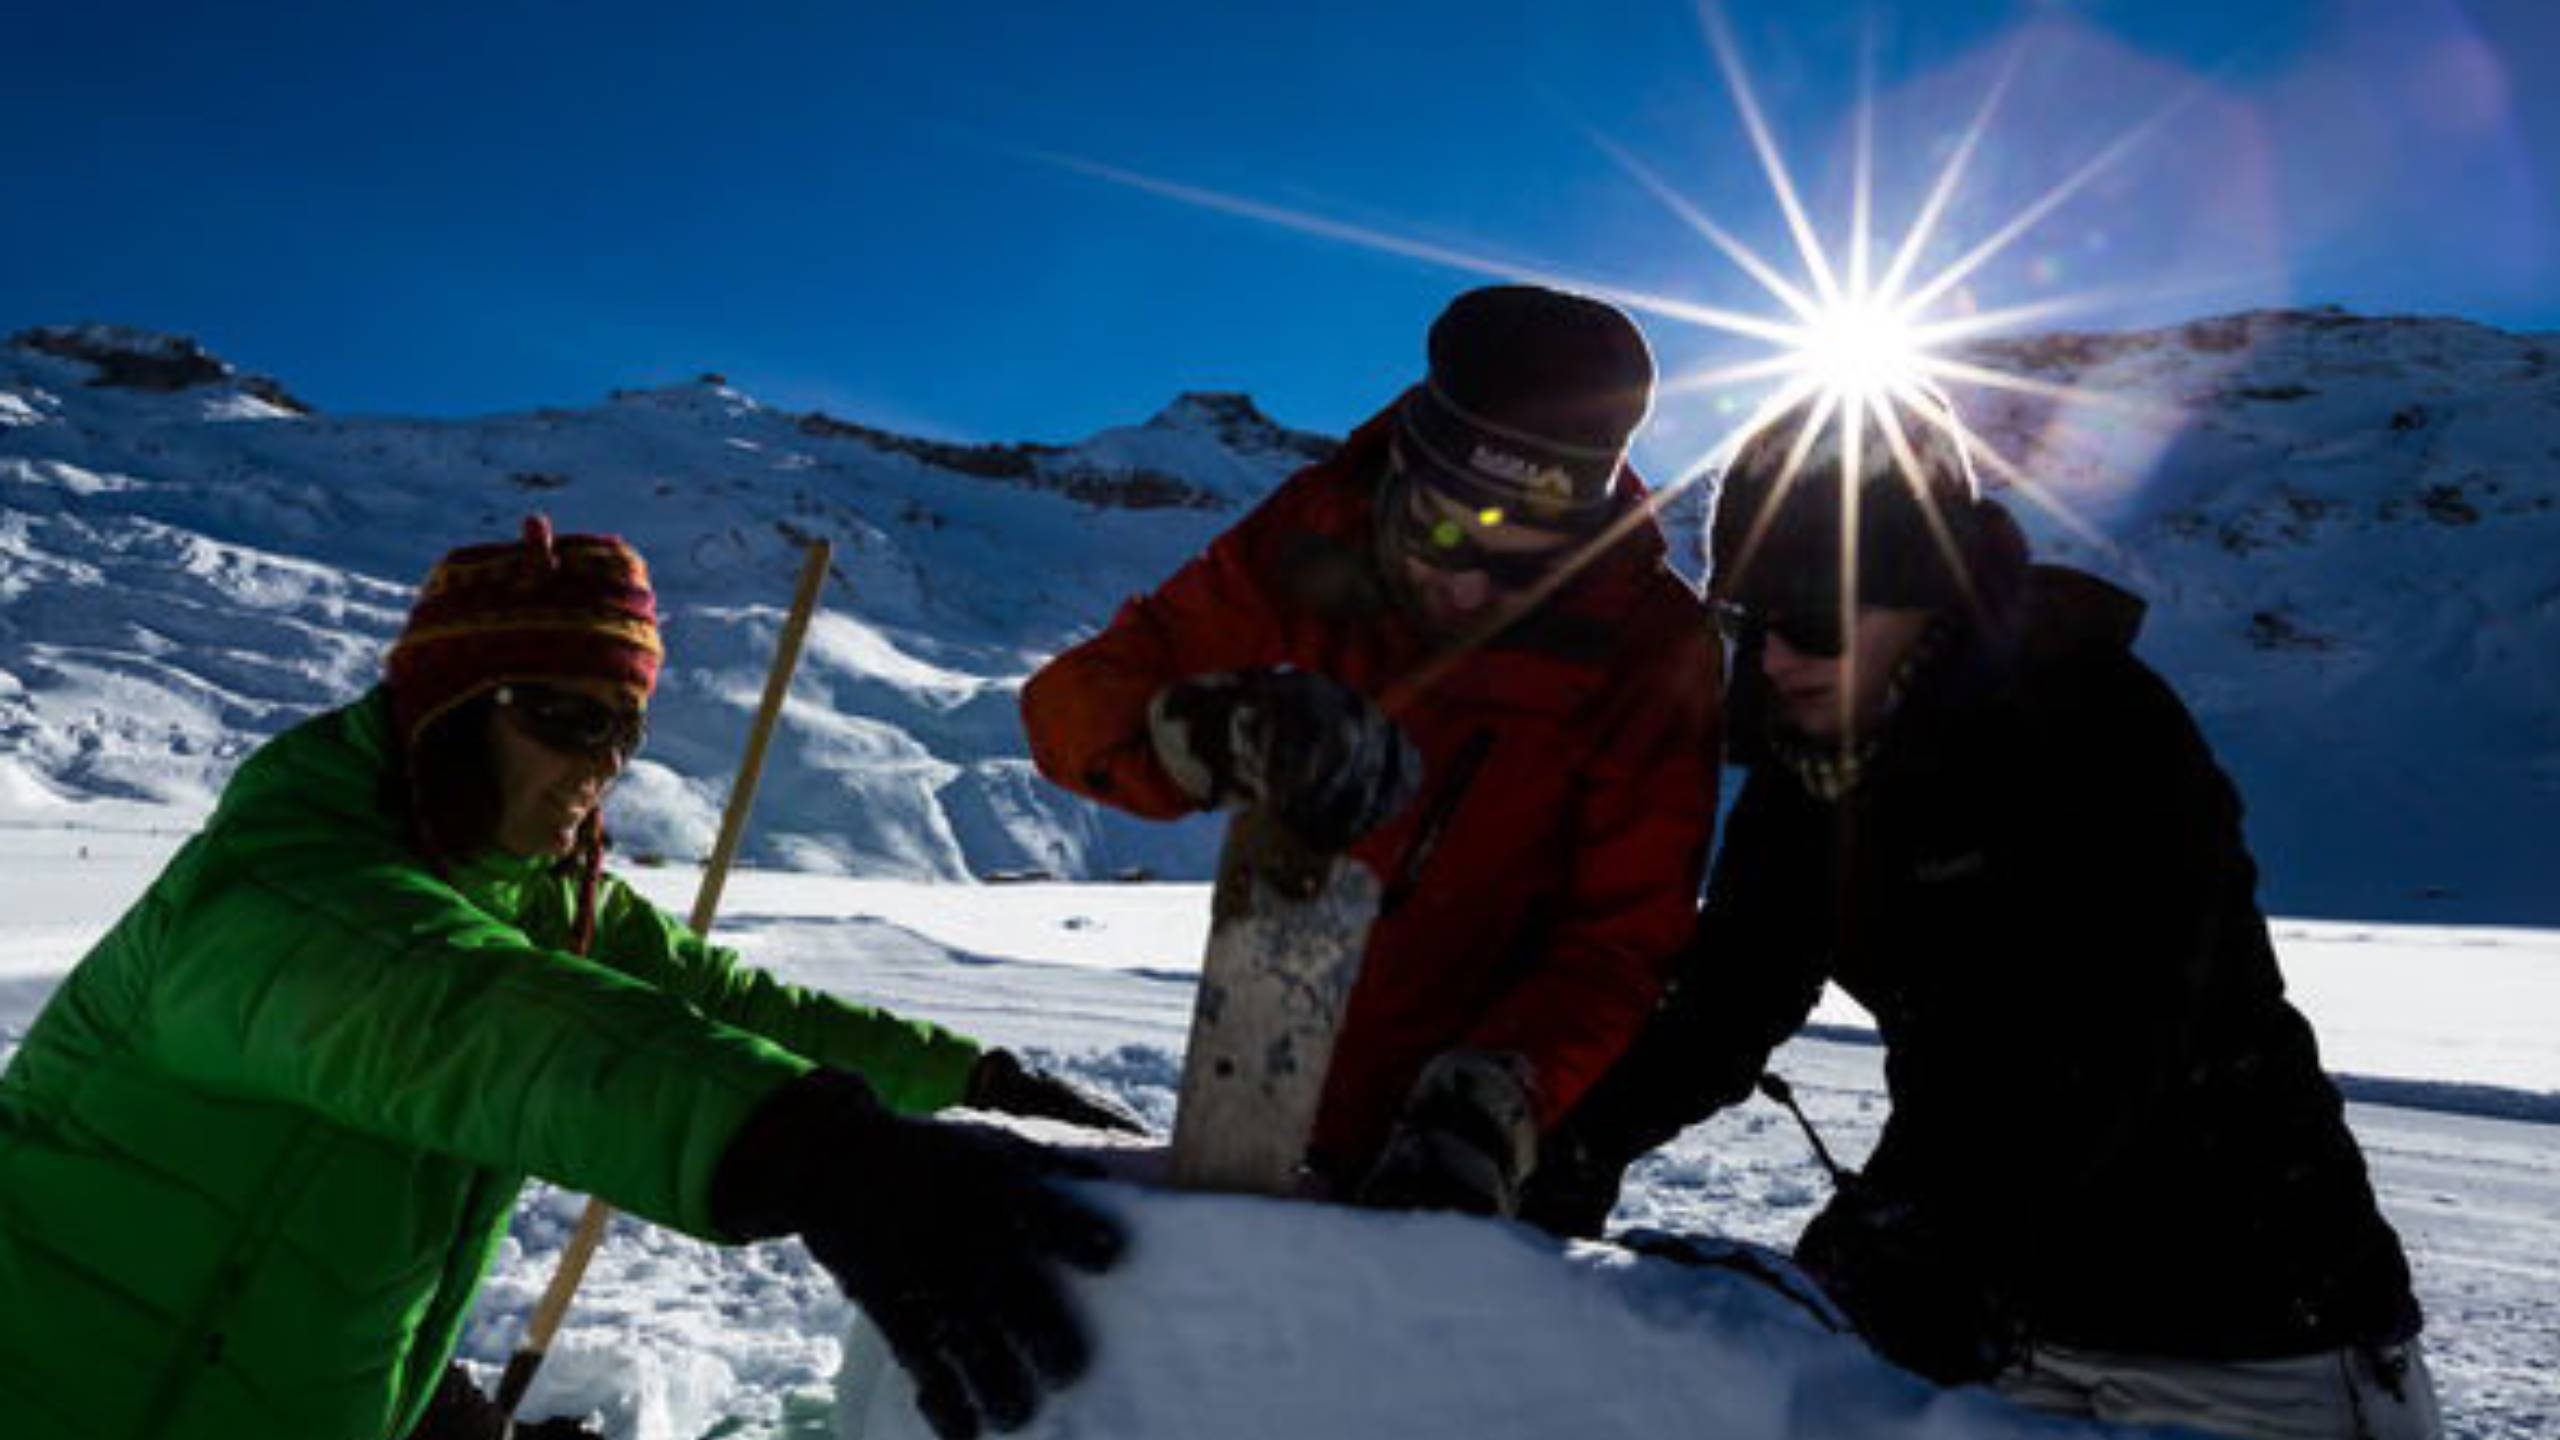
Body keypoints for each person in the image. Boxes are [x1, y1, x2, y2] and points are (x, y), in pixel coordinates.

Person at [0, 518, 1139, 1440]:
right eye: (568, 719)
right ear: (448, 709)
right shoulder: (280, 895)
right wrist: (816, 1154)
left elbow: (723, 1005)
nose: (600, 768)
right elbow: (478, 1020)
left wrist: (972, 1075)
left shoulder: (537, 896)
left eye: (625, 735)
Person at [1520, 389, 2439, 1438]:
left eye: (1810, 620)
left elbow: (2098, 1039)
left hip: (2256, 1337)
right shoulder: (1810, 771)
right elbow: (1727, 996)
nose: (1773, 658)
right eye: (1747, 621)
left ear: (1927, 596)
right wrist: (1565, 1135)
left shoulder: (2094, 726)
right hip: (2016, 1331)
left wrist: (1902, 1236)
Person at [1021, 284, 1722, 1217]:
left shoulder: (1648, 641)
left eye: (1524, 562)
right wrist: (1203, 737)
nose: (1472, 588)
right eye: (1442, 533)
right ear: (1404, 467)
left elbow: (1622, 938)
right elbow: (1074, 707)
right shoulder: (1317, 528)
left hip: (1498, 1136)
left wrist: (1498, 1099)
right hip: (1269, 1079)